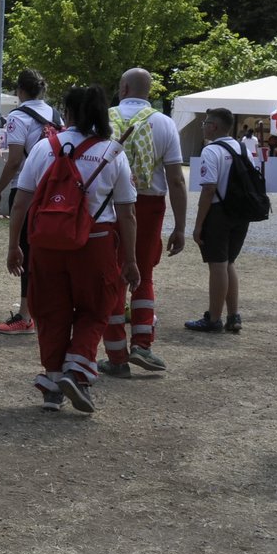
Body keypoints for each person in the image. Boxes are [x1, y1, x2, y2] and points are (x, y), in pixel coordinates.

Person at [7, 85, 139, 413]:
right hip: (95, 243)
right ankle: (76, 371)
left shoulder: (44, 148)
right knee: (96, 308)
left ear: (68, 111)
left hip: (47, 243)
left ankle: (52, 385)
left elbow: (21, 203)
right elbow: (127, 212)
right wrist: (131, 259)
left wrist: (14, 245)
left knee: (51, 311)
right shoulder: (112, 152)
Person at [99, 68, 187, 377]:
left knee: (113, 277)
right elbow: (176, 180)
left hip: (109, 204)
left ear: (123, 88)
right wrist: (180, 226)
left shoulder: (104, 119)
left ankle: (116, 355)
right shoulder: (163, 122)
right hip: (150, 203)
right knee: (143, 273)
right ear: (148, 91)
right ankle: (143, 344)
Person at [0, 69, 58, 335]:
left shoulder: (18, 117)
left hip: (28, 189)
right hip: (55, 189)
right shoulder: (56, 114)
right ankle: (45, 309)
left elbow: (15, 159)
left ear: (20, 90)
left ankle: (25, 315)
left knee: (25, 251)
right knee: (48, 251)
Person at [186, 108, 252, 334]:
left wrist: (198, 224)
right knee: (229, 263)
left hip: (219, 212)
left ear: (214, 126)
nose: (203, 126)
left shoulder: (211, 151)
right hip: (241, 213)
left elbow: (209, 189)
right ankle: (233, 315)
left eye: (206, 122)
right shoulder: (242, 147)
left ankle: (213, 318)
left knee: (217, 265)